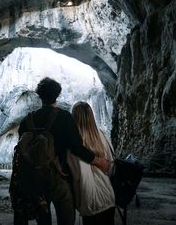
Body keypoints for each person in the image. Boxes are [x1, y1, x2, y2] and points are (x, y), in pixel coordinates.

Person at [14, 77, 110, 225]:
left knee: (43, 219)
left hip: (35, 178)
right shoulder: (65, 117)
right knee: (66, 220)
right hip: (60, 176)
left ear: (39, 96)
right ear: (58, 94)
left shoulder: (28, 120)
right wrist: (98, 161)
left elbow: (23, 149)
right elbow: (77, 147)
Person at [71, 101, 115, 225]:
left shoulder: (73, 144)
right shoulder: (103, 136)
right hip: (108, 196)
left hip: (89, 201)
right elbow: (111, 166)